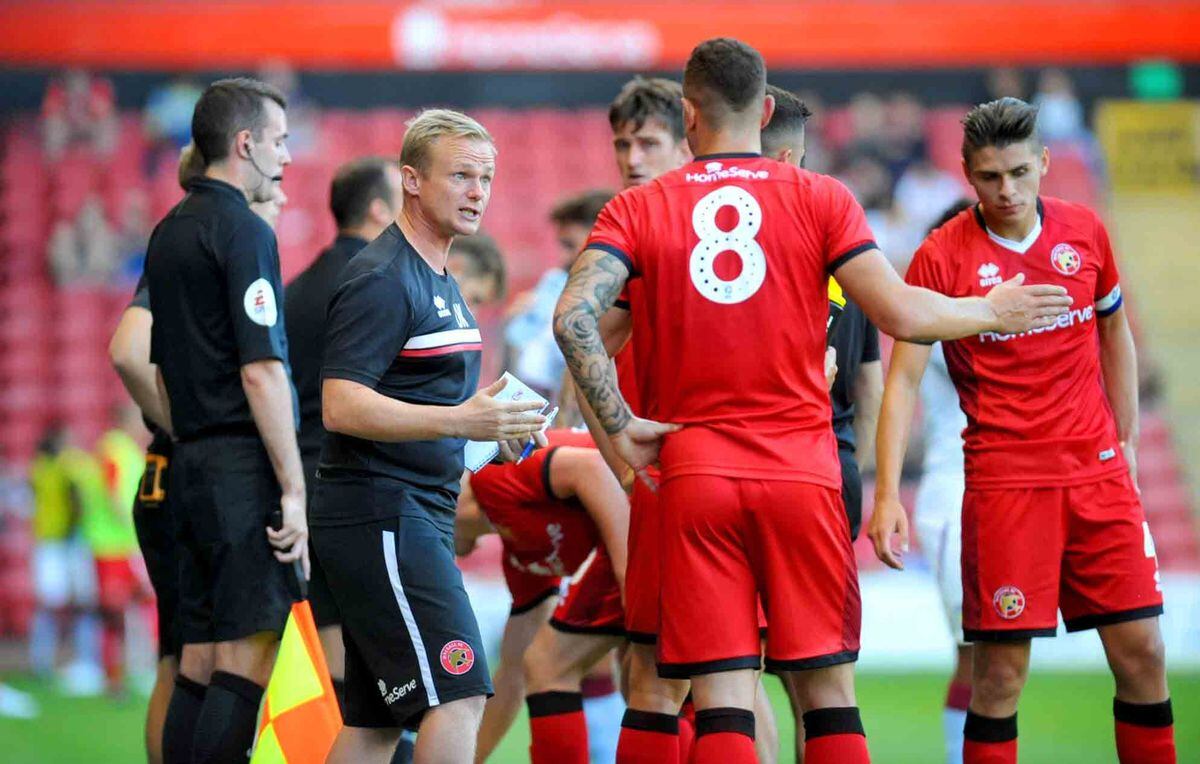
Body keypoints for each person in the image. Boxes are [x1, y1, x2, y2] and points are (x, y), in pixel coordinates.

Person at [555, 38, 1073, 764]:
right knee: (828, 694)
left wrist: (619, 429)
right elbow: (900, 314)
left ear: (687, 112)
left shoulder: (638, 209)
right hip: (802, 472)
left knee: (722, 695)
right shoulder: (822, 197)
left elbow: (574, 322)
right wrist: (993, 309)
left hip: (696, 474)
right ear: (765, 111)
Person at [869, 98, 1175, 764]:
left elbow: (1113, 328)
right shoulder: (942, 257)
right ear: (967, 175)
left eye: (1017, 172)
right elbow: (903, 381)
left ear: (1042, 163)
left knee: (1145, 655)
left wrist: (1122, 435)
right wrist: (890, 494)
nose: (1006, 190)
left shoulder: (1085, 231)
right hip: (1005, 488)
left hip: (1096, 479)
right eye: (988, 177)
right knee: (1000, 677)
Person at [310, 109, 547, 764]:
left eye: (486, 178)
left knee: (377, 723)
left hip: (410, 514)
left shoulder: (439, 274)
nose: (477, 191)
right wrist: (461, 420)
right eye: (461, 176)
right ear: (411, 181)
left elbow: (430, 394)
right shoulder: (384, 276)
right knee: (461, 691)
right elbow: (342, 404)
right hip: (384, 512)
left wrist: (497, 415)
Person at [108, 142, 288, 764]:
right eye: (275, 189)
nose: (285, 197)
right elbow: (129, 349)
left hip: (181, 475)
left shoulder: (186, 246)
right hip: (202, 472)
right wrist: (189, 425)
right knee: (203, 659)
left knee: (188, 659)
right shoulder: (215, 255)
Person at [146, 77, 305, 764]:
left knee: (200, 661)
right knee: (246, 662)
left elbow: (151, 364)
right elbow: (262, 368)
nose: (287, 157)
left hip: (188, 465)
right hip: (241, 470)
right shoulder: (243, 228)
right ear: (245, 143)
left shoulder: (168, 229)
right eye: (279, 140)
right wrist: (293, 488)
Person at [760, 85, 883, 764]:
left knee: (719, 678)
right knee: (825, 684)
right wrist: (861, 473)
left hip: (735, 467)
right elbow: (870, 373)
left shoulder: (722, 247)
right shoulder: (846, 242)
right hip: (827, 473)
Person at [283, 156, 404, 708]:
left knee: (334, 666)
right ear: (379, 209)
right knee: (391, 674)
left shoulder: (296, 289)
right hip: (361, 482)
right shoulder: (379, 280)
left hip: (307, 482)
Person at [453, 429, 628, 763]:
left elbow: (592, 468)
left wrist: (629, 574)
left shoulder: (489, 475)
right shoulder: (521, 554)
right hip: (655, 523)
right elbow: (511, 673)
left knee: (550, 666)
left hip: (664, 513)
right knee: (660, 688)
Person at [904, 200, 974, 764]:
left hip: (1015, 485)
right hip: (957, 490)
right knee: (980, 652)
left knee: (1000, 656)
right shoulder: (935, 313)